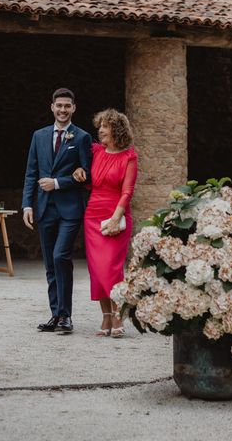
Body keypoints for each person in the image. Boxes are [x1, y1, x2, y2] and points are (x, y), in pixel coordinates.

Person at [22, 88, 92, 334]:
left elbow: (87, 175)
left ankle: (66, 316)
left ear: (74, 108)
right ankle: (56, 314)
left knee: (61, 256)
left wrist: (59, 182)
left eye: (67, 106)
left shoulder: (82, 137)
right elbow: (32, 172)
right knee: (50, 265)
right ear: (51, 107)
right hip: (43, 209)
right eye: (59, 105)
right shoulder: (38, 136)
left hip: (69, 209)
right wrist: (27, 205)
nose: (63, 110)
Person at [73, 108, 137, 338]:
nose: (100, 130)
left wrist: (116, 218)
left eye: (105, 126)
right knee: (97, 270)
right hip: (92, 215)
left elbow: (127, 191)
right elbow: (81, 166)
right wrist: (79, 169)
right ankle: (105, 316)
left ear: (117, 130)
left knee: (111, 268)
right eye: (100, 126)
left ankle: (119, 314)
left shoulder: (129, 156)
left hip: (116, 216)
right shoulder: (95, 151)